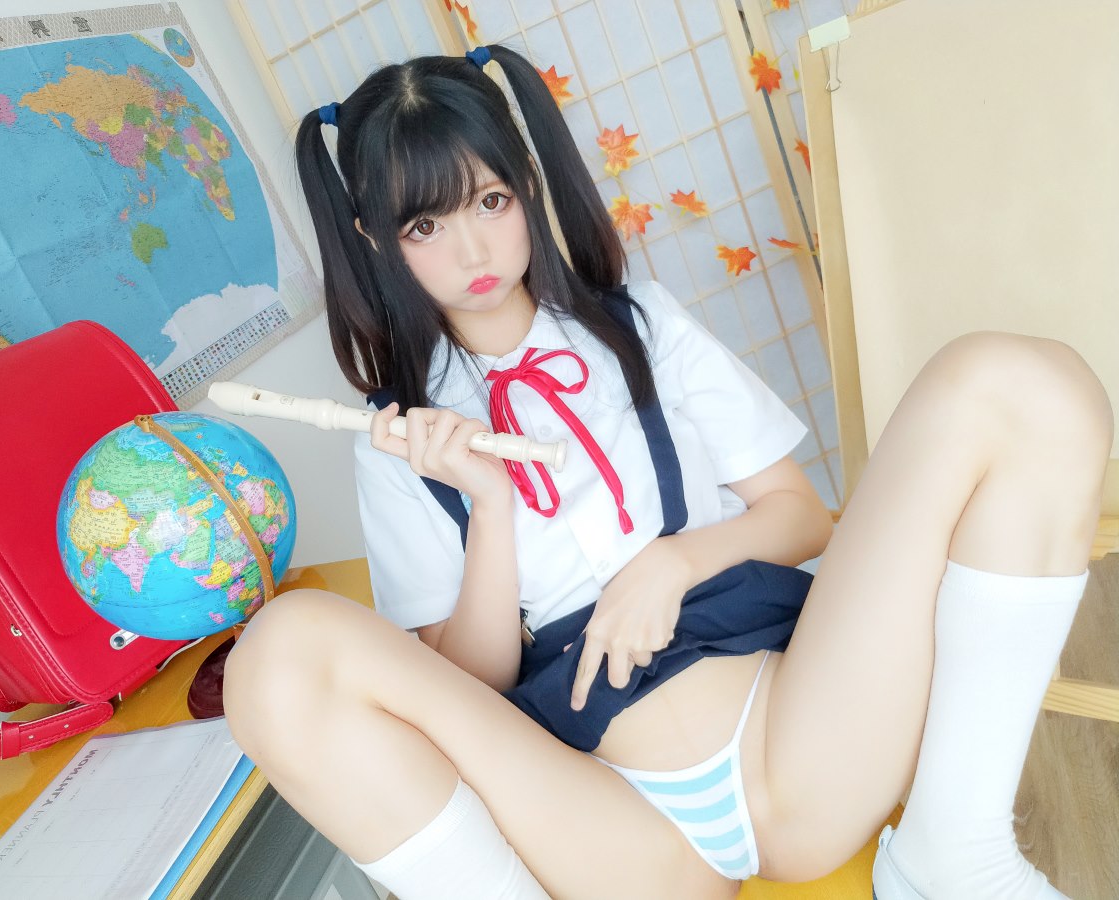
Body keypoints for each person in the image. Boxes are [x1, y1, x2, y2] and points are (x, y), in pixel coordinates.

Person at [222, 44, 1112, 900]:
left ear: (527, 183)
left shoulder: (641, 327)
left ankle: (955, 854)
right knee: (277, 652)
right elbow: (471, 691)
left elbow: (801, 516)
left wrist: (670, 563)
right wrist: (488, 507)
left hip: (799, 729)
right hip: (620, 828)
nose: (472, 253)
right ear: (375, 239)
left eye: (490, 202)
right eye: (426, 225)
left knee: (1020, 381)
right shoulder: (397, 442)